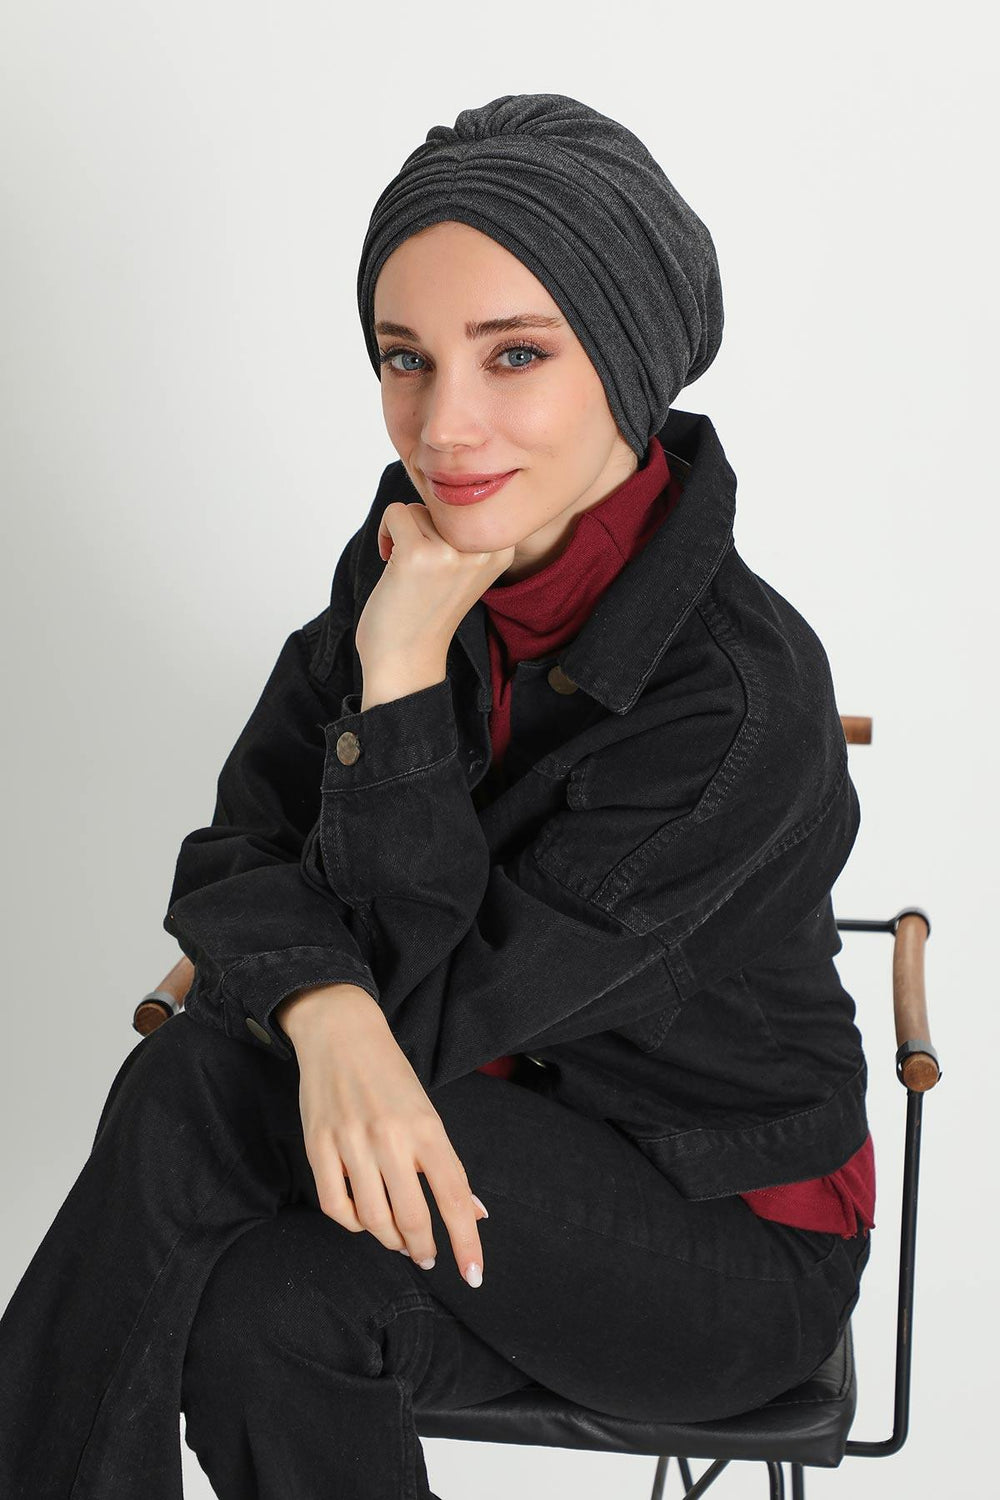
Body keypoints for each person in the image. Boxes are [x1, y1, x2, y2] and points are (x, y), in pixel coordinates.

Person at [0, 93, 874, 1499]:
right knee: (260, 1318)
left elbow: (430, 1003)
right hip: (465, 1159)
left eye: (514, 353)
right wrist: (323, 1003)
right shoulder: (412, 551)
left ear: (628, 362)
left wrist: (400, 673)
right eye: (405, 359)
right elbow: (238, 851)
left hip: (720, 1243)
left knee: (203, 1082)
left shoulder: (734, 700)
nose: (444, 426)